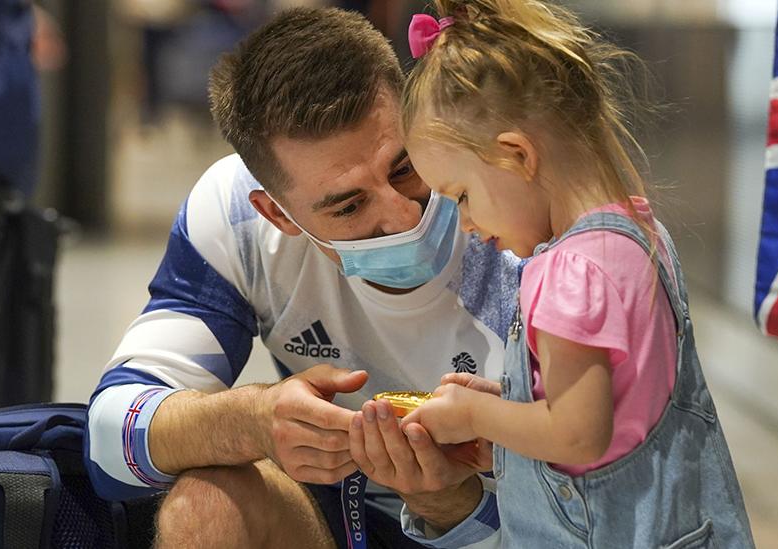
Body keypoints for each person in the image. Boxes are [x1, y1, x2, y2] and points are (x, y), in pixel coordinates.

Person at [85, 7, 520, 548]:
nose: (403, 218)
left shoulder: (520, 208)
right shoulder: (236, 218)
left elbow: (612, 520)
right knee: (207, 500)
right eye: (348, 207)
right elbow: (109, 441)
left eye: (405, 168)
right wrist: (254, 419)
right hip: (338, 518)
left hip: (514, 527)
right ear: (279, 215)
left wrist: (447, 503)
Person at [395, 0, 756, 547]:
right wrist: (508, 404)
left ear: (517, 155)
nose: (465, 224)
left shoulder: (566, 273)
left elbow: (580, 436)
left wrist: (476, 414)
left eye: (461, 196)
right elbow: (621, 404)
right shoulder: (637, 233)